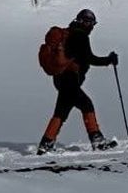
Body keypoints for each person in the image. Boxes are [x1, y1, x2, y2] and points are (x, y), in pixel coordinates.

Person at [38, 9, 119, 154]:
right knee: (86, 104)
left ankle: (46, 143)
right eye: (90, 23)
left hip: (60, 80)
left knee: (61, 111)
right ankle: (97, 141)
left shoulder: (71, 33)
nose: (91, 26)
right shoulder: (80, 36)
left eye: (92, 23)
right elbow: (90, 59)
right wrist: (109, 60)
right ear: (83, 22)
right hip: (69, 81)